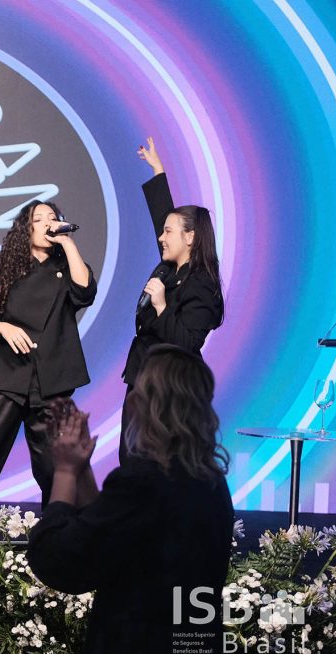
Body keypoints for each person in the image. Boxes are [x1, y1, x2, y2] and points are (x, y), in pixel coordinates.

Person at [27, 345, 236, 654]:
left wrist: (64, 472)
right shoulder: (210, 482)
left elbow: (59, 558)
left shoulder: (143, 481)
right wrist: (82, 468)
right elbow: (113, 540)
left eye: (137, 390)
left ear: (149, 405)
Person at [0, 200, 96, 516]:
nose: (47, 223)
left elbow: (85, 292)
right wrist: (1, 327)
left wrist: (68, 243)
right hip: (8, 377)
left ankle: (57, 533)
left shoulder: (67, 267)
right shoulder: (6, 273)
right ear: (25, 229)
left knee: (54, 469)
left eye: (52, 218)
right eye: (38, 219)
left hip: (52, 381)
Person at [121, 137, 225, 464]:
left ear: (190, 237)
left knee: (154, 462)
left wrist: (162, 307)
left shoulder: (202, 284)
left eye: (169, 232)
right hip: (141, 378)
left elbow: (188, 343)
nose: (161, 237)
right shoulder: (169, 269)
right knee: (130, 458)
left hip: (169, 390)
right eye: (162, 231)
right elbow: (163, 218)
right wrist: (158, 170)